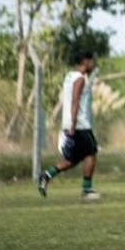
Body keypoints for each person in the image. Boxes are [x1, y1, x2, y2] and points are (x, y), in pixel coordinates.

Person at [37, 50, 102, 201]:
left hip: (71, 122)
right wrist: (73, 125)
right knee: (91, 153)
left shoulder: (70, 76)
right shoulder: (79, 79)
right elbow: (75, 101)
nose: (94, 64)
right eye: (92, 61)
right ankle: (87, 191)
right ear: (85, 61)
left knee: (73, 159)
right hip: (79, 124)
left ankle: (46, 175)